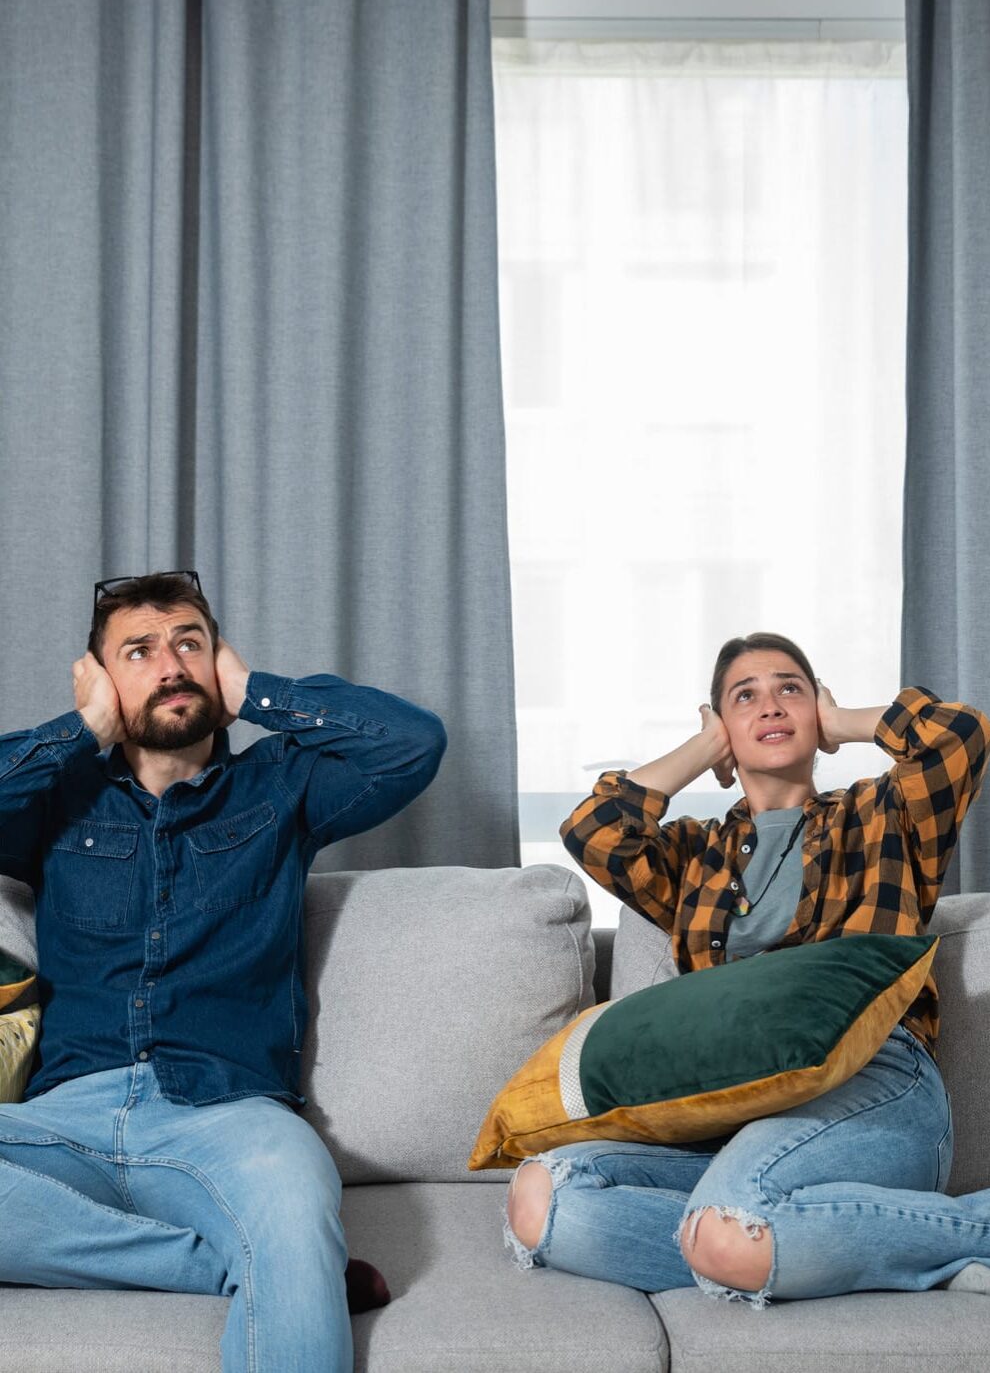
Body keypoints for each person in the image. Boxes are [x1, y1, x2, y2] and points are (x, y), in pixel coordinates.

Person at [0, 570, 447, 1371]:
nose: (171, 664)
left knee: (292, 1208)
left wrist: (252, 691)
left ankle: (276, 1257)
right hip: (65, 1118)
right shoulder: (57, 797)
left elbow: (413, 743)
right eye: (139, 651)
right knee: (281, 1260)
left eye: (190, 643)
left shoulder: (280, 785)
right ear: (101, 677)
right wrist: (83, 727)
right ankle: (224, 1267)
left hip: (232, 1119)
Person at [505, 632, 990, 1308]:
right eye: (745, 696)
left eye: (790, 687)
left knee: (729, 1227)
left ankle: (954, 1230)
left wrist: (841, 722)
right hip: (735, 1119)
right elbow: (594, 829)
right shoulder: (694, 855)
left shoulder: (884, 815)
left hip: (877, 1086)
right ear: (724, 734)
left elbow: (960, 734)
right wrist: (704, 750)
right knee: (543, 1198)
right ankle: (834, 1242)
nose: (771, 704)